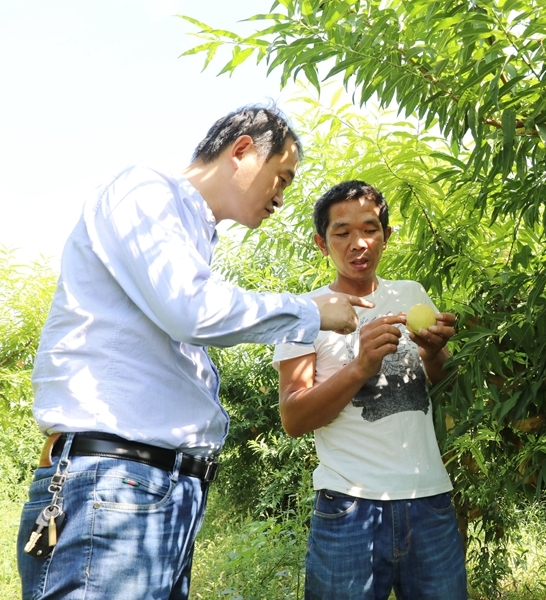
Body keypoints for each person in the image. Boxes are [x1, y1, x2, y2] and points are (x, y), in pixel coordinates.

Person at [17, 105, 372, 600]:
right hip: (115, 483)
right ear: (243, 150)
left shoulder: (191, 230)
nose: (282, 198)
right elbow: (192, 309)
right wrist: (311, 311)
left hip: (152, 490)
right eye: (281, 178)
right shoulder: (145, 191)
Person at [273, 180, 467, 600]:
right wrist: (360, 366)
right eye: (342, 232)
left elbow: (446, 383)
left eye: (370, 229)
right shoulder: (305, 314)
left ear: (386, 236)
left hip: (429, 498)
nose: (358, 243)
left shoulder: (411, 294)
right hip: (348, 505)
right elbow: (294, 418)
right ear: (321, 243)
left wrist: (434, 354)